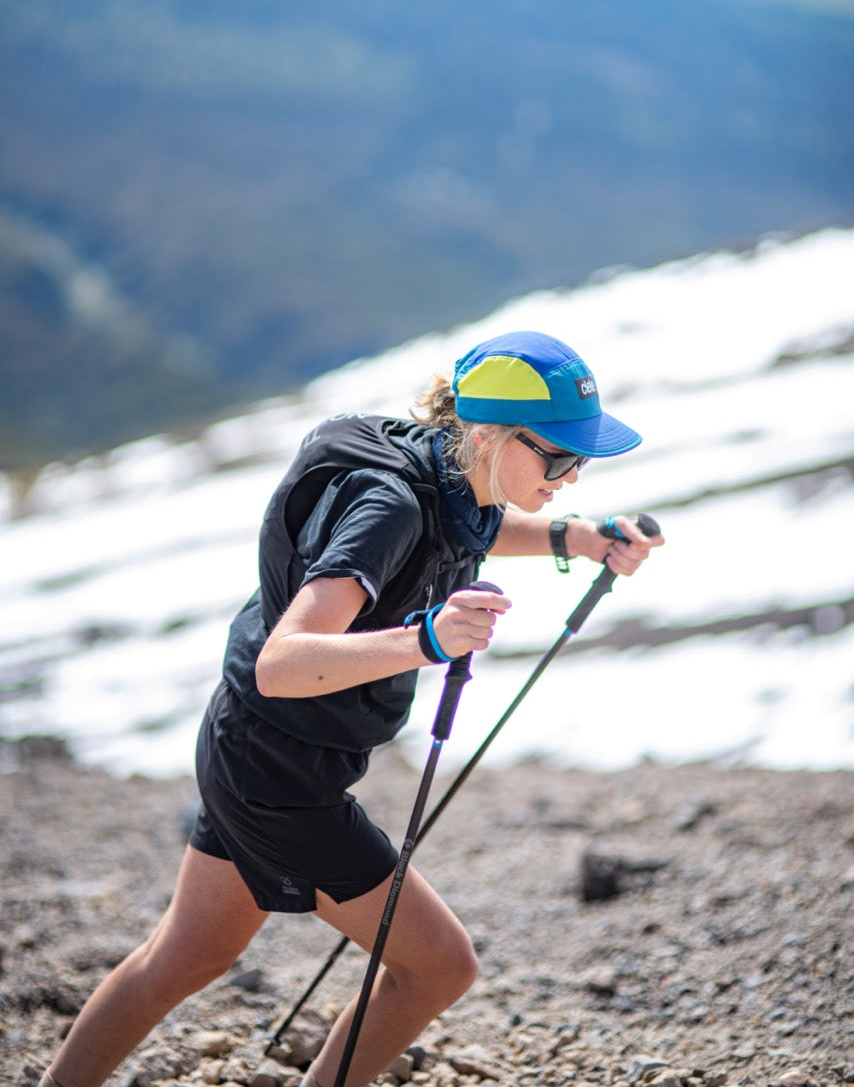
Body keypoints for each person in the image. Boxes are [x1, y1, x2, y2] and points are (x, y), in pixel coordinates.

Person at [40, 329, 664, 1087]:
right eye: (559, 457)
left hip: (249, 743)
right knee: (438, 969)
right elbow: (284, 661)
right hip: (280, 770)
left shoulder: (449, 475)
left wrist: (582, 539)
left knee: (189, 955)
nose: (571, 476)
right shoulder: (387, 507)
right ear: (488, 433)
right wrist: (427, 639)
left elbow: (480, 527)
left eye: (582, 460)